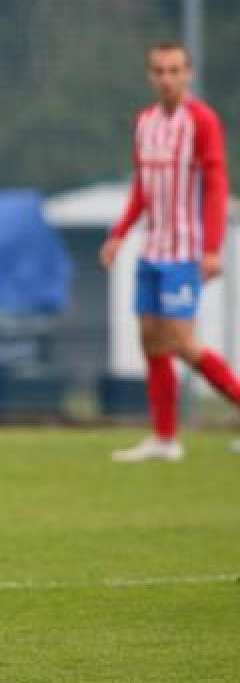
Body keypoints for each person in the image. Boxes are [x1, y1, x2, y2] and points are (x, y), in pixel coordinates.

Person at [101, 40, 240, 462]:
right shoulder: (145, 122)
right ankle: (165, 440)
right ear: (150, 75)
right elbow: (143, 187)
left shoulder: (201, 120)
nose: (166, 79)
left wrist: (212, 248)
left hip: (185, 251)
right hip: (152, 250)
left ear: (188, 74)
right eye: (159, 71)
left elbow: (216, 185)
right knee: (151, 340)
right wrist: (120, 233)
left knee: (182, 341)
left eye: (174, 70)